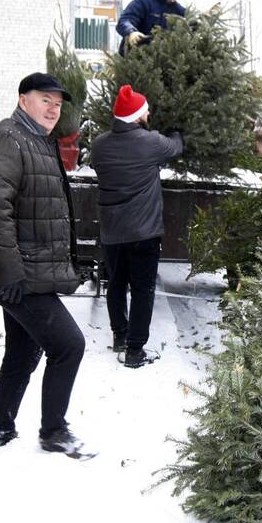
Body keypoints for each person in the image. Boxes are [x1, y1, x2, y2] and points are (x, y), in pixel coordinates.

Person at [0, 72, 91, 457]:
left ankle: (0, 428)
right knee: (69, 345)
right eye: (45, 99)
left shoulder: (37, 141)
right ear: (23, 99)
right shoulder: (6, 139)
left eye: (58, 103)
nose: (53, 108)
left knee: (24, 350)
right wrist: (10, 272)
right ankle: (54, 431)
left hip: (26, 268)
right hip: (14, 272)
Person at [91, 85, 183, 368]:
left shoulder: (99, 145)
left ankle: (119, 335)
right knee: (143, 290)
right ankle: (134, 351)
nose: (149, 114)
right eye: (146, 111)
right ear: (135, 116)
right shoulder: (152, 142)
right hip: (144, 232)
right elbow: (177, 147)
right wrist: (177, 129)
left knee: (116, 284)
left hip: (112, 232)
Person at [116, 0, 185, 55]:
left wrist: (203, 19)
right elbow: (124, 21)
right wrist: (131, 32)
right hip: (136, 60)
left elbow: (190, 20)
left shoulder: (176, 9)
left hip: (162, 63)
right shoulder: (143, 3)